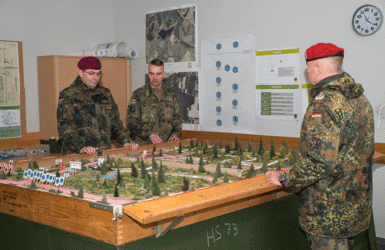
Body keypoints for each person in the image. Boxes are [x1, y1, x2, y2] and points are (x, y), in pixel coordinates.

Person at [266, 43, 374, 249]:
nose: (307, 73)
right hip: (355, 204)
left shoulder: (324, 104)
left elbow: (320, 161)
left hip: (329, 210)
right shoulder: (359, 98)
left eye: (308, 68)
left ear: (316, 68)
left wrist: (285, 178)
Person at [57, 56, 138, 154]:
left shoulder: (105, 94)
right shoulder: (68, 95)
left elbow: (115, 122)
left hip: (103, 153)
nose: (95, 78)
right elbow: (65, 128)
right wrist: (81, 147)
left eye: (98, 74)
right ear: (81, 73)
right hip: (78, 154)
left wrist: (125, 141)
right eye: (91, 73)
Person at [126, 59, 182, 145]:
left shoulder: (170, 94)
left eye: (158, 74)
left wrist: (175, 134)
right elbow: (131, 122)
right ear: (148, 74)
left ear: (164, 74)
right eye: (152, 74)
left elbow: (177, 117)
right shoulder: (138, 95)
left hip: (166, 146)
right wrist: (149, 134)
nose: (155, 78)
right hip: (145, 147)